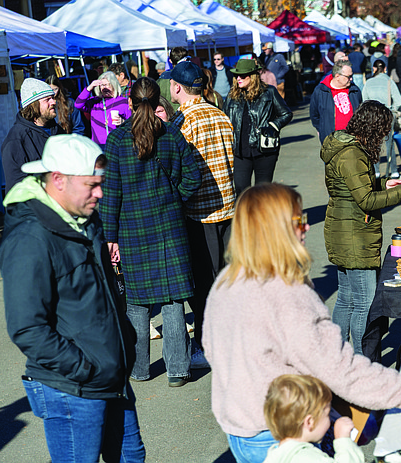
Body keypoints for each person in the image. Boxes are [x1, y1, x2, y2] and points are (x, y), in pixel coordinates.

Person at [202, 182, 401, 463]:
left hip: (239, 427)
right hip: (283, 435)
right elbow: (340, 369)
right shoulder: (285, 292)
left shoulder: (227, 280)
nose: (306, 227)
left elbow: (212, 349)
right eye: (298, 221)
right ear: (274, 229)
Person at [0, 134, 145, 462]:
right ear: (58, 180)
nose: (100, 193)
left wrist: (125, 340)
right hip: (73, 388)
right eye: (91, 185)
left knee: (132, 457)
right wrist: (85, 368)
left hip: (111, 375)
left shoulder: (83, 217)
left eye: (101, 183)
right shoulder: (30, 239)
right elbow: (27, 328)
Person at [99, 77, 202, 387]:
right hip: (170, 227)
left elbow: (111, 194)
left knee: (137, 302)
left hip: (131, 229)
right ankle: (178, 371)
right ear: (158, 102)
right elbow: (193, 176)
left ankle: (139, 369)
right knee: (172, 300)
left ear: (129, 102)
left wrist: (110, 237)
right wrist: (176, 197)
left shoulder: (117, 141)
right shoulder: (172, 134)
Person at [322, 101, 401, 353]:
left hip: (344, 229)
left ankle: (337, 356)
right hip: (354, 235)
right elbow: (366, 200)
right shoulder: (352, 154)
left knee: (347, 299)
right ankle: (361, 361)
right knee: (364, 303)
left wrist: (384, 183)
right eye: (383, 132)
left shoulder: (347, 146)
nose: (384, 138)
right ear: (373, 128)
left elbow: (357, 187)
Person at [168, 60, 236, 369]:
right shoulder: (220, 114)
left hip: (200, 211)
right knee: (224, 278)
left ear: (177, 87)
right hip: (227, 206)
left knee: (203, 282)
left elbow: (179, 168)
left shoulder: (184, 121)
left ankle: (208, 344)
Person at [224, 58, 293, 197]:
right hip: (240, 152)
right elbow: (225, 119)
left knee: (262, 193)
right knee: (241, 189)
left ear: (253, 76)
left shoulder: (269, 92)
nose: (238, 78)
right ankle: (246, 218)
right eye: (237, 75)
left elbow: (286, 114)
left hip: (265, 150)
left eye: (242, 76)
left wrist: (273, 126)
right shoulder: (232, 96)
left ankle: (261, 218)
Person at [263, 375, 363, 463]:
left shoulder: (275, 453)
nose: (331, 419)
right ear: (310, 422)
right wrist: (343, 440)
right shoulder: (309, 459)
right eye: (328, 414)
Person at [2, 78, 64, 193]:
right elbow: (16, 190)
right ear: (34, 105)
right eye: (47, 99)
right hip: (38, 207)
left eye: (53, 98)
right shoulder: (16, 139)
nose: (54, 102)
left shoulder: (57, 130)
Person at [362, 56, 401, 178]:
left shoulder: (368, 82)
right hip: (388, 115)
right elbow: (399, 101)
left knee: (374, 145)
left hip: (373, 116)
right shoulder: (390, 82)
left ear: (374, 69)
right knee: (389, 144)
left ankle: (376, 171)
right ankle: (394, 170)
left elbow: (364, 101)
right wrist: (393, 109)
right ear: (385, 69)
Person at [310, 59, 362, 145]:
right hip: (331, 140)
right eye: (348, 76)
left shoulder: (354, 90)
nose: (351, 79)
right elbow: (314, 115)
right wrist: (323, 129)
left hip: (353, 139)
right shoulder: (321, 90)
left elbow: (361, 112)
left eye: (351, 75)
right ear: (337, 76)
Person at [75, 70, 131, 147]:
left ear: (114, 85)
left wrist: (123, 121)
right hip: (98, 146)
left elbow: (132, 124)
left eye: (107, 85)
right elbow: (78, 104)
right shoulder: (95, 102)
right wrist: (89, 88)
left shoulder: (123, 102)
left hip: (118, 145)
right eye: (102, 85)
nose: (104, 88)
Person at [159, 47, 190, 111]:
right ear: (185, 60)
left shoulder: (161, 80)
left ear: (170, 60)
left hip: (168, 117)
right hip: (188, 115)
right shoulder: (191, 77)